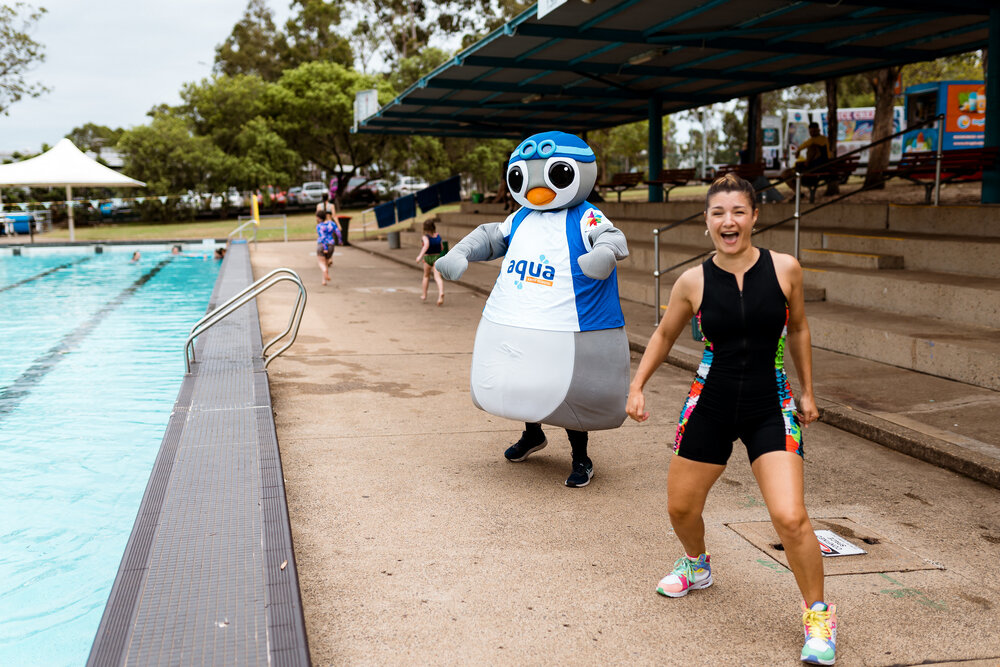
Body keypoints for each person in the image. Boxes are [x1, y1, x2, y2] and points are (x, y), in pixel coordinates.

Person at [625, 173, 835, 665]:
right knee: (680, 508)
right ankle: (698, 565)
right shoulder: (692, 281)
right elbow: (662, 336)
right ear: (706, 222)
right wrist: (637, 385)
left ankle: (818, 616)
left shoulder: (786, 269)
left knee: (789, 516)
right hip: (711, 400)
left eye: (738, 211)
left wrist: (808, 391)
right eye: (718, 213)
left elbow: (800, 328)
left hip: (771, 402)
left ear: (755, 216)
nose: (729, 221)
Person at [779, 122, 831, 189]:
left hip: (816, 168)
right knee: (785, 174)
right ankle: (798, 194)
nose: (812, 133)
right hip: (811, 167)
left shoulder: (821, 140)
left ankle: (798, 193)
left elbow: (809, 143)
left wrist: (799, 151)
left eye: (814, 131)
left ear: (819, 130)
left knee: (786, 174)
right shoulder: (814, 141)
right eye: (811, 131)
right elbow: (807, 143)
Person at [414, 219, 445, 306]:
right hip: (437, 258)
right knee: (438, 277)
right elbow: (442, 247)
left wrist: (419, 256)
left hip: (428, 258)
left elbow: (426, 245)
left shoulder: (425, 237)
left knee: (426, 276)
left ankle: (424, 295)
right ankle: (441, 293)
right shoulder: (438, 236)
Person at [315, 209, 339, 286]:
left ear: (319, 218)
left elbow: (322, 237)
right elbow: (338, 233)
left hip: (322, 245)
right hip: (331, 245)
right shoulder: (332, 224)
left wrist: (325, 248)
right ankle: (324, 280)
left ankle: (324, 271)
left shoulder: (319, 226)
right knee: (326, 262)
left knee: (321, 263)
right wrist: (340, 241)